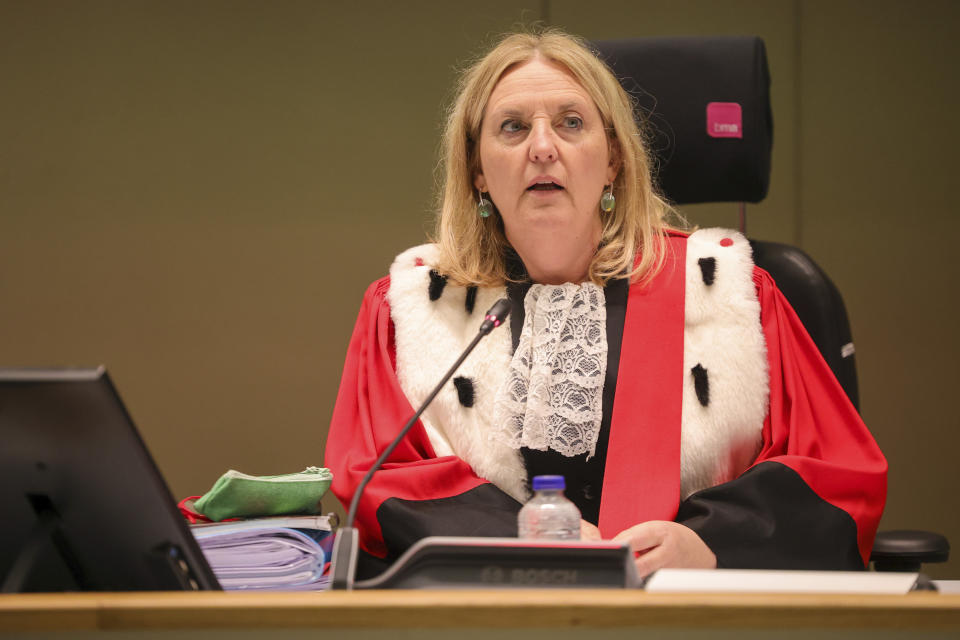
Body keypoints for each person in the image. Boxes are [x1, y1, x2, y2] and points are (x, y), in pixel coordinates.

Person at [323, 29, 886, 579]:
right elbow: (377, 476)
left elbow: (837, 474)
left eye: (571, 123)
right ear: (478, 170)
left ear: (613, 159)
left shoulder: (728, 292)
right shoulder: (415, 309)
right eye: (513, 128)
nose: (543, 148)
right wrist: (516, 535)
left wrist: (709, 541)